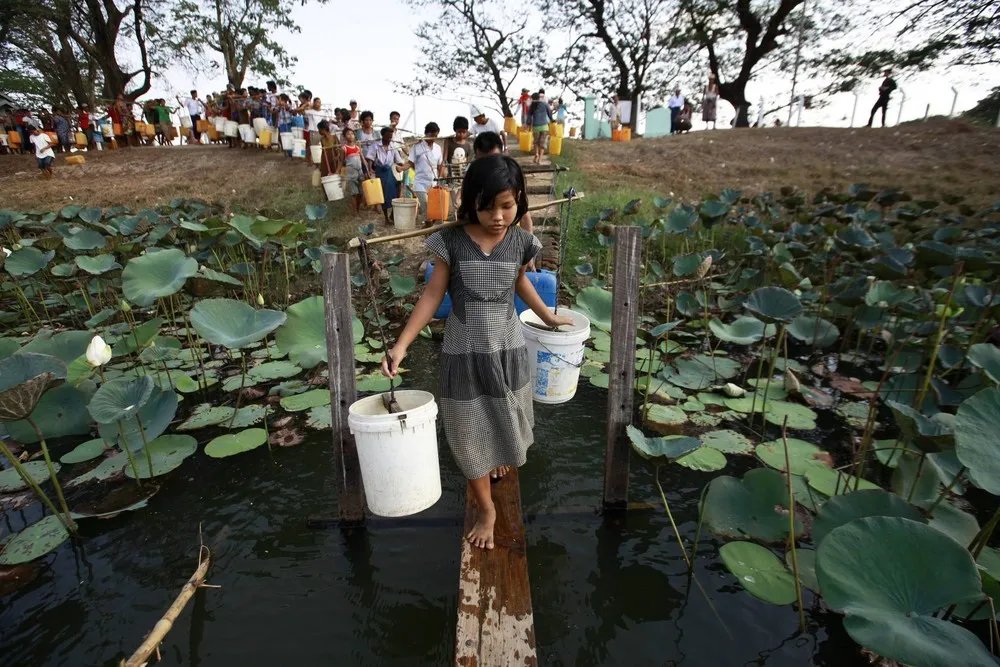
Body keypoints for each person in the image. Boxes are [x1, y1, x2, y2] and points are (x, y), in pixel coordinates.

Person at [381, 154, 572, 550]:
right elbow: (433, 294)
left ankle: (498, 455)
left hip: (507, 348)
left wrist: (548, 319)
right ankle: (487, 508)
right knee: (467, 432)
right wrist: (401, 345)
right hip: (463, 351)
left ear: (519, 199)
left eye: (507, 205)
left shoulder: (521, 241)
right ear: (471, 201)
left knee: (506, 416)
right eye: (487, 207)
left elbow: (522, 284)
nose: (498, 216)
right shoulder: (450, 240)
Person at [473, 132, 535, 238]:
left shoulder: (512, 178)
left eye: (493, 160)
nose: (489, 167)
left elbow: (524, 216)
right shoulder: (472, 179)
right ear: (476, 158)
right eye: (483, 162)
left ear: (502, 155)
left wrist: (530, 250)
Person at [405, 121, 444, 222]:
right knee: (426, 205)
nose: (433, 138)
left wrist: (439, 180)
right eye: (431, 135)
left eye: (436, 136)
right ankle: (428, 227)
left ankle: (428, 227)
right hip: (420, 183)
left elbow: (440, 165)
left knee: (433, 209)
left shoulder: (438, 148)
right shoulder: (417, 147)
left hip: (434, 183)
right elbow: (410, 162)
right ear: (426, 133)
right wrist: (401, 168)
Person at [365, 126, 405, 224]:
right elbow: (370, 158)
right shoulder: (375, 146)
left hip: (390, 172)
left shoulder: (393, 147)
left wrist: (405, 166)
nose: (389, 138)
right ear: (383, 136)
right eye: (387, 136)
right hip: (380, 172)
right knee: (383, 195)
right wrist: (370, 170)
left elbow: (398, 160)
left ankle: (393, 215)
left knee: (395, 192)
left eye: (391, 136)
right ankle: (386, 218)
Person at [442, 116, 473, 215]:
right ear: (455, 130)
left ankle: (460, 213)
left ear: (466, 132)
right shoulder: (449, 142)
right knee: (454, 196)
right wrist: (444, 169)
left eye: (463, 132)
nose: (461, 134)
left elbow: (468, 162)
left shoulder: (468, 145)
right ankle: (456, 214)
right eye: (459, 132)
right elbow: (445, 158)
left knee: (461, 194)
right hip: (452, 174)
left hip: (462, 174)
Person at [340, 126, 368, 214]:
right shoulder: (344, 148)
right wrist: (337, 172)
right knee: (354, 193)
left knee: (360, 192)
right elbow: (341, 162)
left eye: (352, 134)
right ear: (344, 137)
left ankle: (358, 209)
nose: (351, 136)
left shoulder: (358, 148)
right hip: (351, 173)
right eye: (348, 134)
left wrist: (367, 170)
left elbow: (363, 160)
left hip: (360, 172)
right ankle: (355, 212)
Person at [527, 93, 553, 164]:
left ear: (532, 98)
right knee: (542, 144)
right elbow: (549, 112)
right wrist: (551, 119)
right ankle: (540, 159)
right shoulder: (544, 104)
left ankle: (536, 154)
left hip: (536, 127)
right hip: (544, 127)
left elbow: (529, 117)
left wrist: (528, 124)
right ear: (539, 98)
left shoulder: (531, 106)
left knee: (536, 142)